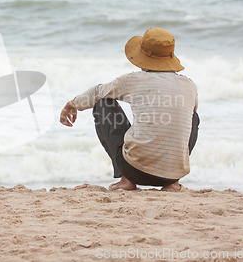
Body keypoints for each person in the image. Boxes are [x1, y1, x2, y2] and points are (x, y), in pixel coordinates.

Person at [60, 28, 199, 191]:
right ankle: (172, 183)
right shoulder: (189, 85)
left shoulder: (132, 80)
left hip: (135, 170)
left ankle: (126, 180)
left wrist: (71, 105)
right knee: (192, 116)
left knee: (103, 104)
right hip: (173, 173)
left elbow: (98, 92)